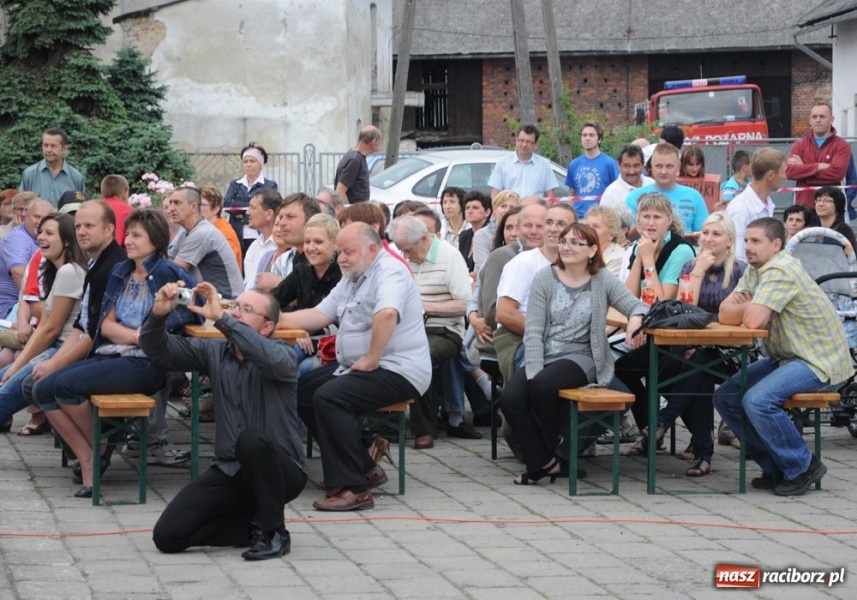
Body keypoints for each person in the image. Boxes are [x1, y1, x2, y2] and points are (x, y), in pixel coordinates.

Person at [37, 209, 200, 497]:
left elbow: (193, 311)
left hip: (147, 363)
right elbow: (106, 325)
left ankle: (93, 459)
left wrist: (147, 337)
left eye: (137, 235)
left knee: (63, 386)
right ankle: (91, 453)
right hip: (113, 352)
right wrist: (139, 335)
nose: (128, 241)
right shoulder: (121, 270)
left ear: (156, 240)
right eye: (129, 234)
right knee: (42, 390)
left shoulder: (167, 272)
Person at [146, 282, 306, 560]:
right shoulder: (216, 352)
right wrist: (158, 316)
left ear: (267, 327)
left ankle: (275, 534)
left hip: (282, 472)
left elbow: (267, 356)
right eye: (235, 307)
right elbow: (160, 351)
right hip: (230, 470)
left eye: (246, 310)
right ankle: (251, 528)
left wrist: (221, 319)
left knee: (252, 440)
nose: (236, 314)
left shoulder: (282, 355)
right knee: (168, 536)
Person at [280, 223, 431, 511]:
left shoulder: (390, 272)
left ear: (372, 250)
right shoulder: (354, 275)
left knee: (329, 397)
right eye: (340, 253)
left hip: (399, 369)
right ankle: (365, 467)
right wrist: (268, 318)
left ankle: (354, 490)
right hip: (364, 365)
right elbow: (317, 314)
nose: (342, 259)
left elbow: (387, 314)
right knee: (303, 390)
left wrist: (372, 358)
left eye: (348, 252)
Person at [715, 217, 853, 496]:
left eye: (756, 241)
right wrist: (757, 306)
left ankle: (802, 466)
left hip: (817, 360)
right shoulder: (756, 271)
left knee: (758, 400)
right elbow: (723, 313)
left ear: (776, 245)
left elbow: (751, 322)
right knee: (727, 397)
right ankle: (775, 466)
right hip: (787, 357)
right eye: (746, 241)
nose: (748, 247)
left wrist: (751, 307)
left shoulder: (780, 269)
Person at [501, 223, 647, 484]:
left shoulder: (602, 279)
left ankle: (548, 450)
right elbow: (533, 330)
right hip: (546, 352)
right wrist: (532, 370)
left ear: (592, 250)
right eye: (564, 241)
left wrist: (636, 319)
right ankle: (545, 462)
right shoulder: (545, 278)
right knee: (511, 397)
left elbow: (637, 305)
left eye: (575, 243)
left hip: (584, 356)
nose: (566, 246)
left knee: (544, 385)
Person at [626, 212, 746, 476]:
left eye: (716, 234)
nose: (708, 239)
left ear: (729, 241)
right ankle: (699, 449)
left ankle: (665, 423)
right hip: (689, 345)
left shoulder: (740, 271)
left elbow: (737, 318)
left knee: (698, 364)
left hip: (732, 351)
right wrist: (699, 271)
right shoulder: (690, 267)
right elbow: (683, 313)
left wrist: (700, 273)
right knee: (680, 367)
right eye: (705, 233)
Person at [21, 201, 126, 444]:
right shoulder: (94, 262)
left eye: (89, 226)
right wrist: (55, 361)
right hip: (90, 346)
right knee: (34, 383)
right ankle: (88, 448)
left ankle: (100, 444)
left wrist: (55, 364)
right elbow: (82, 324)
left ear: (109, 229)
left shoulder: (113, 266)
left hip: (110, 353)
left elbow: (94, 333)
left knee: (43, 385)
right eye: (78, 226)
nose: (81, 231)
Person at [391, 216, 474, 448]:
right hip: (407, 328)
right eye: (401, 250)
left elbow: (466, 304)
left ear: (424, 239)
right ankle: (382, 422)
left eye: (408, 250)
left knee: (421, 356)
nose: (405, 256)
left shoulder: (449, 257)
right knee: (378, 351)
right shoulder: (402, 258)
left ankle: (423, 429)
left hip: (444, 330)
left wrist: (426, 307)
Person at [614, 193, 695, 432]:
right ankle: (648, 428)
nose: (650, 223)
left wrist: (648, 259)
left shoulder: (680, 250)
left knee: (657, 375)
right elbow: (627, 299)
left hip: (674, 336)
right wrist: (640, 257)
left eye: (657, 217)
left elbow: (662, 301)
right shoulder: (639, 247)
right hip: (648, 330)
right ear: (638, 221)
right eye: (645, 217)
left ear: (669, 220)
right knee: (621, 369)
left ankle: (656, 428)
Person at [0, 213, 87, 432]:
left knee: (4, 395)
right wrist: (17, 365)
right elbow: (44, 326)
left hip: (62, 349)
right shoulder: (54, 269)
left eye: (49, 233)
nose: (41, 238)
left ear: (67, 240)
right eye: (40, 232)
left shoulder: (70, 271)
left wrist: (19, 365)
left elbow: (51, 330)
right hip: (52, 345)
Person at [495, 202, 577, 385]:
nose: (554, 229)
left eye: (561, 224)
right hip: (521, 341)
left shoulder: (577, 265)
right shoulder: (524, 263)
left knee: (616, 388)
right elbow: (505, 313)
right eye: (549, 223)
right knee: (554, 380)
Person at [272, 214, 342, 374]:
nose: (310, 248)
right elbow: (273, 300)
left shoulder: (343, 273)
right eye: (307, 242)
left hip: (334, 345)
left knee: (297, 368)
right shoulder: (302, 270)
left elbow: (342, 321)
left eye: (318, 242)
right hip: (303, 341)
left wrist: (306, 330)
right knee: (276, 360)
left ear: (335, 245)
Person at [167, 186, 244, 300]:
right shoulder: (187, 232)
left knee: (165, 300)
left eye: (177, 203)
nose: (171, 208)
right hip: (205, 298)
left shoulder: (202, 233)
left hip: (226, 303)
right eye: (170, 203)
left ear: (194, 207)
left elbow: (171, 272)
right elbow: (167, 261)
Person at [625, 142, 708, 235]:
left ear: (678, 167)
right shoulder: (635, 197)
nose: (663, 171)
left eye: (669, 166)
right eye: (659, 166)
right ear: (651, 166)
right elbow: (623, 236)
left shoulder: (694, 197)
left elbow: (704, 234)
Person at [786, 102, 852, 209]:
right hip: (804, 209)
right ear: (810, 121)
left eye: (822, 116)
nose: (818, 120)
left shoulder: (842, 146)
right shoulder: (799, 145)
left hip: (831, 209)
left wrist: (804, 173)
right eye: (814, 117)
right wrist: (819, 166)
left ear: (831, 120)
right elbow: (790, 172)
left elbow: (837, 174)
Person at [725, 148, 784, 262]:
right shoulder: (740, 208)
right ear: (771, 175)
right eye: (782, 172)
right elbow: (738, 259)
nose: (785, 177)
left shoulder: (766, 203)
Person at [256, 193, 322, 291]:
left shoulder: (325, 259)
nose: (282, 223)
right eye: (281, 217)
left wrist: (279, 285)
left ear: (311, 221)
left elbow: (323, 301)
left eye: (290, 217)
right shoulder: (283, 261)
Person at [0, 199, 53, 318]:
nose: (41, 222)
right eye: (37, 216)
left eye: (46, 218)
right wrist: (39, 305)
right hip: (9, 309)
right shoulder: (18, 238)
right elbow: (19, 273)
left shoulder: (40, 239)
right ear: (26, 217)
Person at [223, 143, 279, 254]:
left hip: (259, 234)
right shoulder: (236, 184)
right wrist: (252, 208)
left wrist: (239, 210)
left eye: (252, 161)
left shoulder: (270, 185)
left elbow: (268, 208)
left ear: (260, 164)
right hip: (237, 234)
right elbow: (227, 204)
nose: (248, 165)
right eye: (245, 161)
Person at [18, 128, 86, 207]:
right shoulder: (29, 174)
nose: (48, 150)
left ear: (64, 148)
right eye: (45, 145)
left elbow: (81, 208)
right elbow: (21, 205)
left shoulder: (77, 178)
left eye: (53, 146)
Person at [488, 124, 557, 200]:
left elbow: (550, 195)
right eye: (521, 140)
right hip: (510, 210)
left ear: (536, 145)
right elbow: (495, 194)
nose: (524, 145)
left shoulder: (544, 165)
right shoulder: (502, 163)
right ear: (516, 141)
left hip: (535, 210)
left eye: (528, 142)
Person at [565, 122, 619, 219]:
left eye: (591, 135)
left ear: (599, 139)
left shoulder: (610, 164)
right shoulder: (574, 164)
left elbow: (617, 190)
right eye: (584, 135)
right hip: (579, 218)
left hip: (601, 217)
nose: (587, 138)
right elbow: (571, 193)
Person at [242, 189, 283, 291]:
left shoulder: (282, 249)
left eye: (252, 207)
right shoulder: (254, 246)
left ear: (269, 214)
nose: (247, 212)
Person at [472, 190, 520, 273]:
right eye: (503, 206)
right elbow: (485, 268)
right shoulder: (482, 235)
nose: (507, 210)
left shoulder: (521, 233)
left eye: (512, 207)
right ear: (494, 209)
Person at [599, 145, 653, 217]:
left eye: (636, 166)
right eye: (627, 166)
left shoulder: (652, 184)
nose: (631, 171)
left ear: (643, 164)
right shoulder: (611, 194)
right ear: (619, 165)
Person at [334, 126, 382, 205]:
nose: (379, 145)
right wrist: (349, 211)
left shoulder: (355, 157)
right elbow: (340, 192)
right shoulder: (354, 160)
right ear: (373, 142)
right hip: (354, 212)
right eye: (379, 142)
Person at [199, 186, 242, 270]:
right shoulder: (208, 229)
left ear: (215, 209)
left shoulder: (224, 234)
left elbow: (223, 269)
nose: (195, 209)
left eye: (201, 205)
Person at [584, 206, 624, 277]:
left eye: (596, 226)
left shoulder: (618, 257)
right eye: (587, 226)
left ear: (611, 234)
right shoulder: (581, 251)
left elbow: (599, 285)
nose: (588, 230)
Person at [457, 191, 492, 272]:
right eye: (467, 208)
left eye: (475, 208)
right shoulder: (464, 235)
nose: (470, 211)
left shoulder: (491, 235)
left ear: (487, 212)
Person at [99, 175, 133, 246]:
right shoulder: (128, 210)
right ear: (125, 194)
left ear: (102, 194)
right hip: (119, 253)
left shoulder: (94, 207)